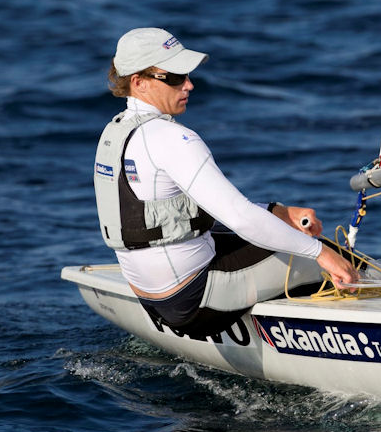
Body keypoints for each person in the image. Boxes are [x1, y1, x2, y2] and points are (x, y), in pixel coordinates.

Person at [94, 27, 358, 337]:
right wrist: (321, 254)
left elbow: (181, 215)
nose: (189, 84)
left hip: (152, 298)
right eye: (176, 77)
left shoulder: (115, 134)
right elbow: (241, 217)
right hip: (195, 301)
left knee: (279, 235)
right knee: (334, 256)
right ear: (139, 82)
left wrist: (280, 213)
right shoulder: (173, 139)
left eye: (188, 74)